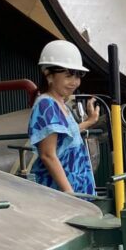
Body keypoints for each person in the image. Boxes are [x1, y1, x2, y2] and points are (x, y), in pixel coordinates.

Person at [28, 41, 99, 195]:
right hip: (61, 194)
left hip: (75, 188)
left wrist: (89, 121)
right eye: (68, 76)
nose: (74, 82)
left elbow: (66, 133)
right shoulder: (46, 105)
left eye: (78, 76)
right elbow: (48, 154)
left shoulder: (59, 103)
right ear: (48, 74)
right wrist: (68, 192)